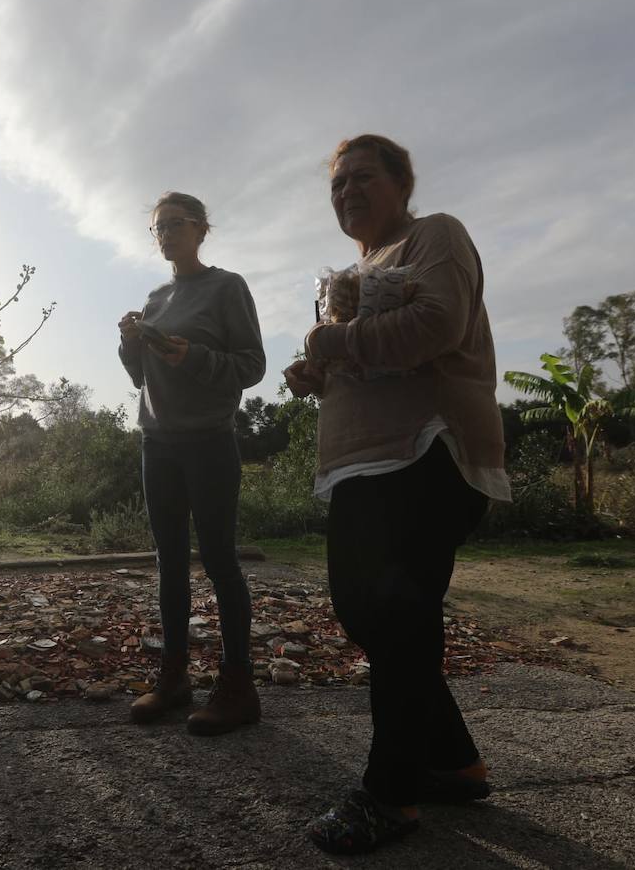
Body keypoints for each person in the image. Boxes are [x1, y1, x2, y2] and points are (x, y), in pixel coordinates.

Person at [284, 135, 511, 855]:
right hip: (360, 464)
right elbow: (355, 352)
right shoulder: (350, 273)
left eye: (363, 177)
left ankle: (390, 795)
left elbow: (437, 325)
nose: (346, 191)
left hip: (427, 450)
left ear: (402, 182)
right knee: (377, 614)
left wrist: (333, 344)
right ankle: (452, 761)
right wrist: (317, 367)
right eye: (337, 183)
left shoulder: (433, 236)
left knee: (393, 610)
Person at [117, 191, 266, 736]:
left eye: (175, 224)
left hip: (209, 441)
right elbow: (142, 377)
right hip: (158, 442)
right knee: (170, 562)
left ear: (202, 229)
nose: (165, 234)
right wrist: (132, 343)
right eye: (157, 228)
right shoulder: (156, 297)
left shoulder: (227, 287)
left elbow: (252, 366)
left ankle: (237, 685)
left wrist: (192, 355)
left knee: (221, 561)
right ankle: (174, 677)